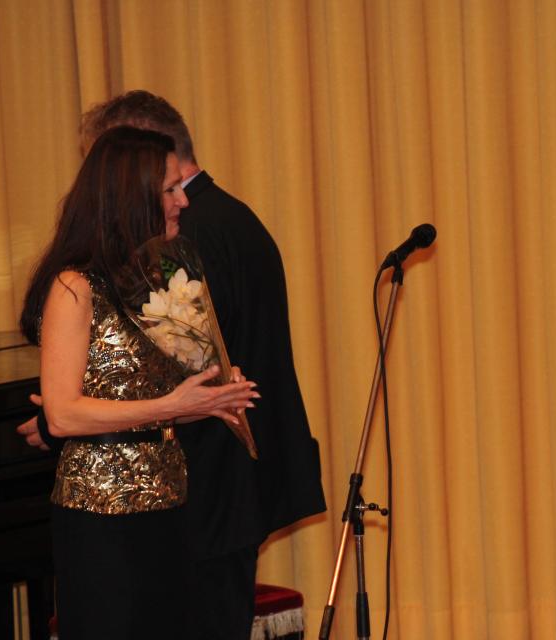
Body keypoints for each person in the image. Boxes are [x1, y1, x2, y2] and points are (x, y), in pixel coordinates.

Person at [18, 91, 326, 639]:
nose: (182, 200)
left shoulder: (146, 271)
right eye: (168, 189)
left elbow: (151, 393)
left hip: (174, 505)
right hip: (105, 512)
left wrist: (208, 398)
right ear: (131, 191)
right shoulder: (77, 285)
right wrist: (172, 404)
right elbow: (66, 415)